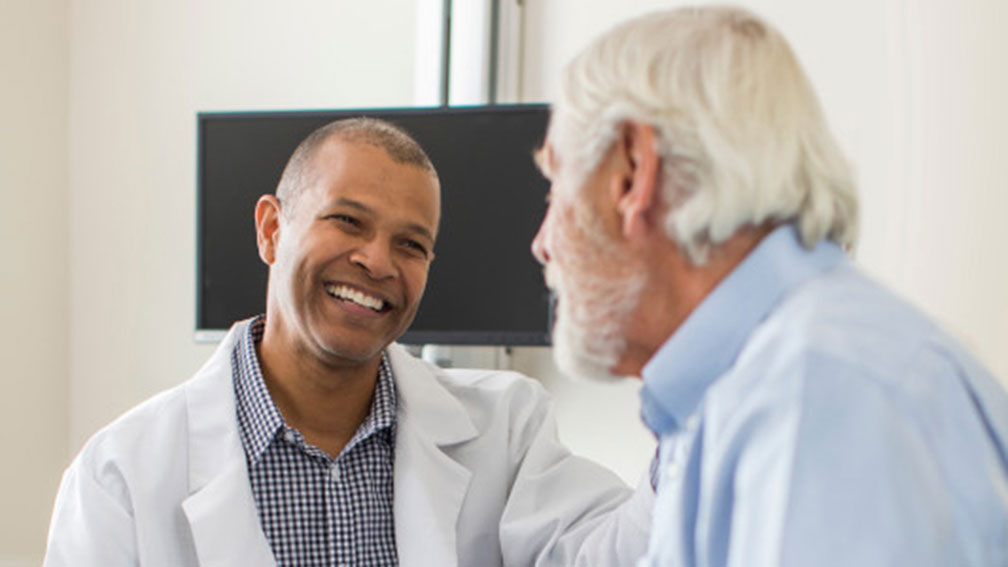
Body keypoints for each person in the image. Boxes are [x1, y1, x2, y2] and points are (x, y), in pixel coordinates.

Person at [45, 118, 653, 567]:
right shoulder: (120, 475)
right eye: (348, 221)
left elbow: (625, 554)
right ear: (271, 229)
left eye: (411, 244)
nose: (378, 261)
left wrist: (680, 381)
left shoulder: (505, 431)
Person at [531, 6, 1008, 566]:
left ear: (633, 173)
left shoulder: (820, 392)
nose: (543, 243)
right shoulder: (737, 395)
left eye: (554, 187)